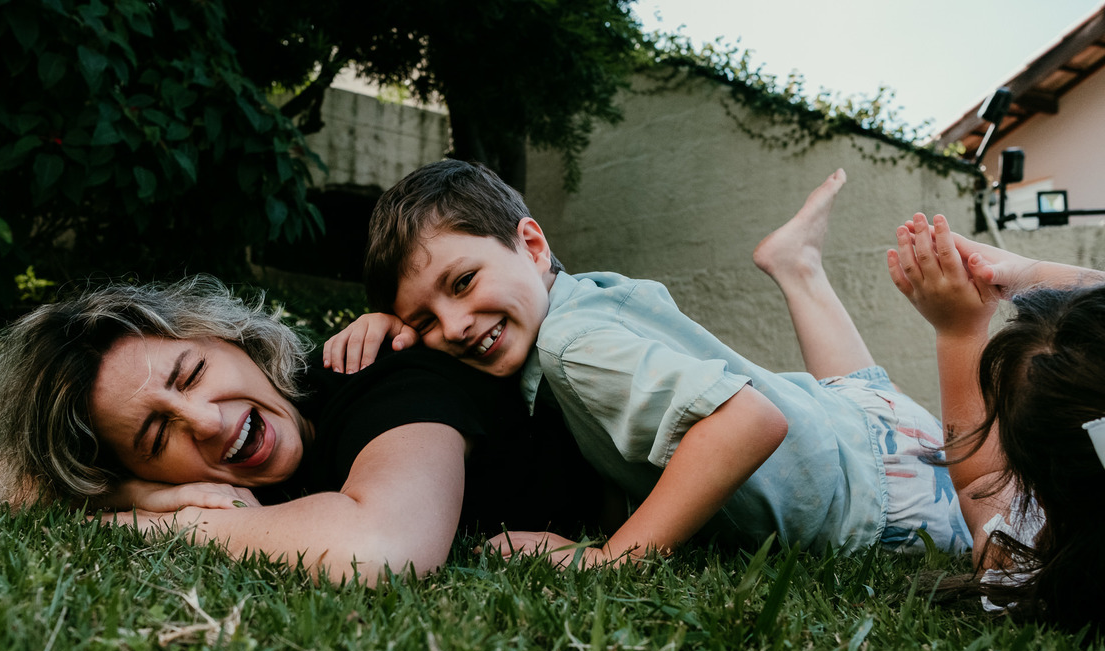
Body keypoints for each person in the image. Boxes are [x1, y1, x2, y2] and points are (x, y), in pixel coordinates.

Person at [326, 160, 971, 565]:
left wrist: (618, 558)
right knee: (854, 393)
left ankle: (802, 270)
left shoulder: (569, 346)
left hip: (884, 503)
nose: (457, 327)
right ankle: (797, 267)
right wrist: (396, 329)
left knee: (1015, 531)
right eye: (426, 320)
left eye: (463, 282)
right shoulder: (572, 298)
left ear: (530, 243)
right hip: (849, 414)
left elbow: (747, 421)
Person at [0, 276, 609, 584]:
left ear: (231, 340)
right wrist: (141, 492)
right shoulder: (188, 478)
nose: (207, 422)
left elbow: (384, 549)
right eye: (157, 438)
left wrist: (165, 522)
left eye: (190, 375)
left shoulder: (390, 381)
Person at [886, 214, 1105, 632]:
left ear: (1033, 474)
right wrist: (1030, 272)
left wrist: (959, 331)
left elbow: (982, 479)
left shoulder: (1020, 561)